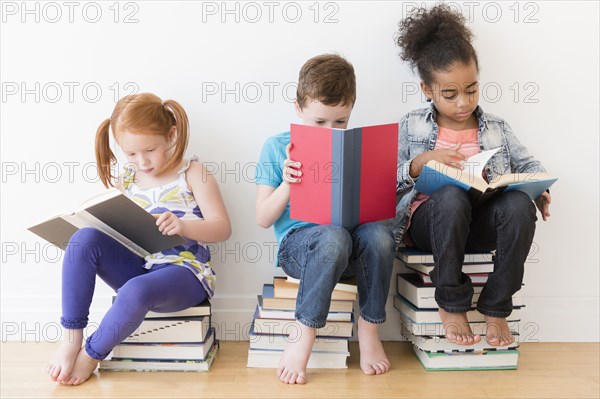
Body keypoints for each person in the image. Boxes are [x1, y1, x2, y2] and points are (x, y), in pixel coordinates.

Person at [393, 5, 552, 346]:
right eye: (450, 94)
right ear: (427, 89)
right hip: (432, 225)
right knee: (450, 197)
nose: (463, 102)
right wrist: (420, 162)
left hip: (478, 223)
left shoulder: (496, 127)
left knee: (519, 206)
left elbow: (528, 167)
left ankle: (496, 308)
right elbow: (384, 183)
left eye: (471, 89)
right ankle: (451, 302)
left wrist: (538, 191)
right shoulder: (411, 125)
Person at [46, 93, 231, 385]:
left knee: (133, 291)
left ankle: (91, 354)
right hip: (142, 265)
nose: (142, 161)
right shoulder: (128, 180)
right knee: (83, 239)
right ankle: (71, 338)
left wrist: (183, 226)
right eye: (131, 154)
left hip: (185, 274)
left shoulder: (192, 173)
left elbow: (222, 228)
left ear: (171, 135)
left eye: (150, 150)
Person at [255, 54, 395, 384]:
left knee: (380, 235)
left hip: (350, 245)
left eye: (340, 122)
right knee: (333, 237)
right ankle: (303, 334)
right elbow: (263, 218)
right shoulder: (275, 147)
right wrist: (289, 184)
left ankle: (370, 328)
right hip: (302, 248)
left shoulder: (357, 146)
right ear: (298, 108)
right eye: (320, 123)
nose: (331, 131)